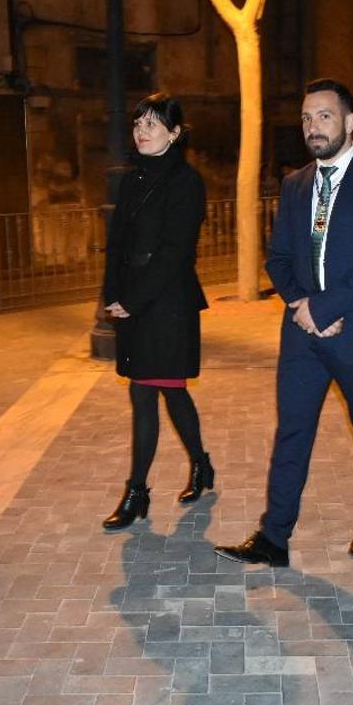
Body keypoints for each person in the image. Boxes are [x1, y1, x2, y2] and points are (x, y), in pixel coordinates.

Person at [214, 78, 353, 567]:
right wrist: (304, 308)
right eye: (306, 118)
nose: (313, 127)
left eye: (323, 116)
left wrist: (326, 310)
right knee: (292, 431)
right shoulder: (295, 184)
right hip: (302, 334)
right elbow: (278, 257)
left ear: (349, 121)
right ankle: (274, 537)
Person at [100, 92, 214, 531]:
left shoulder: (186, 182)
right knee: (166, 391)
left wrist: (133, 300)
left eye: (152, 124)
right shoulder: (131, 179)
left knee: (146, 392)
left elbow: (175, 253)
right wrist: (112, 294)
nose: (142, 131)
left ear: (175, 132)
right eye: (138, 123)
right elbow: (117, 245)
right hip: (134, 303)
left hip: (166, 306)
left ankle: (136, 492)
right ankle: (201, 465)